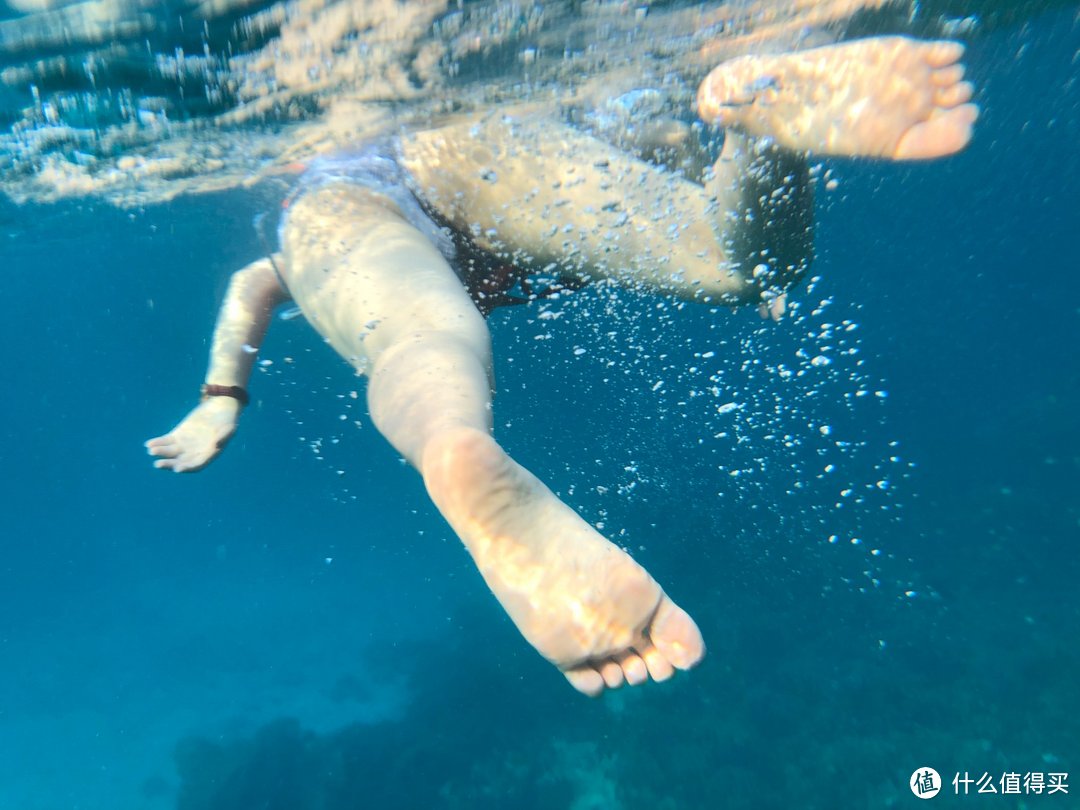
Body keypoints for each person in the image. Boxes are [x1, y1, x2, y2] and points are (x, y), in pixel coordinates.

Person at [146, 37, 977, 696]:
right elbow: (645, 150)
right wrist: (717, 209)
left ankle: (449, 444)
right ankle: (755, 126)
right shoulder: (543, 116)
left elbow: (256, 280)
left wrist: (224, 397)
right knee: (737, 262)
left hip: (339, 199)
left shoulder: (316, 176)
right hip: (468, 137)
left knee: (417, 341)